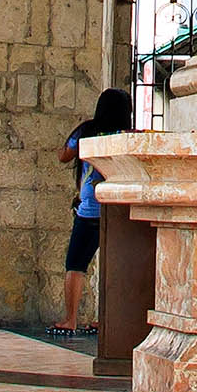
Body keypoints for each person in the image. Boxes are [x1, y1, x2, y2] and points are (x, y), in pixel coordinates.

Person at [59, 88, 134, 338]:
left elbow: (64, 156)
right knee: (113, 267)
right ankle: (106, 321)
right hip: (118, 209)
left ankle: (70, 319)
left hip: (90, 208)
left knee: (76, 264)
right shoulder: (126, 135)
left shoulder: (86, 131)